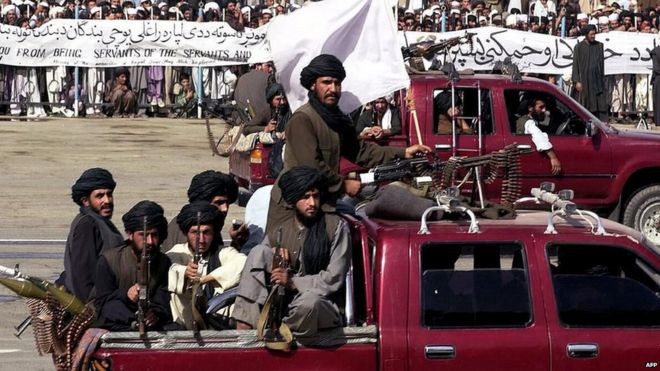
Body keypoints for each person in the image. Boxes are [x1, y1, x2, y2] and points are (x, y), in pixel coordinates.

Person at [269, 54, 430, 233]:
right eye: (327, 82)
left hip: (322, 204)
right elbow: (312, 167)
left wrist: (404, 153)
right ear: (313, 85)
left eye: (337, 83)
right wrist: (344, 185)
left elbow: (361, 151)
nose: (333, 88)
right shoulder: (303, 119)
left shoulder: (336, 119)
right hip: (292, 209)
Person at [233, 167, 351, 337]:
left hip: (322, 304)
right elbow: (260, 261)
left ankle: (281, 331)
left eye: (315, 196)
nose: (312, 203)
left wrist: (293, 282)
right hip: (285, 304)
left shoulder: (335, 227)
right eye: (305, 197)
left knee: (310, 303)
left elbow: (334, 278)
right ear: (293, 200)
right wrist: (274, 254)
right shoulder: (280, 230)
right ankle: (245, 328)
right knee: (258, 252)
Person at [166, 202, 247, 330]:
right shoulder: (177, 252)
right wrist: (185, 273)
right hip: (184, 327)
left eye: (206, 232)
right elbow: (168, 268)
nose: (201, 240)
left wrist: (206, 279)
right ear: (186, 233)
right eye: (195, 233)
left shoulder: (221, 253)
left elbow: (242, 262)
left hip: (218, 326)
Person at [94, 201, 172, 331]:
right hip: (117, 323)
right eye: (143, 235)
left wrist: (155, 314)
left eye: (154, 235)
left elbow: (163, 300)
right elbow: (102, 304)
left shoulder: (163, 263)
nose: (150, 241)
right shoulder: (109, 260)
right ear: (130, 234)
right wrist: (126, 295)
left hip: (150, 325)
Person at [56, 168, 124, 303]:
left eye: (109, 194)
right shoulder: (87, 224)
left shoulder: (101, 222)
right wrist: (92, 310)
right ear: (86, 201)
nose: (107, 200)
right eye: (100, 196)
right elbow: (82, 277)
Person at [160, 170, 248, 253]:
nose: (225, 208)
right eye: (219, 203)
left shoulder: (211, 225)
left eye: (227, 203)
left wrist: (236, 243)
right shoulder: (191, 227)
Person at [516, 97, 562, 175]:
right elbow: (539, 136)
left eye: (544, 107)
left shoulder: (531, 119)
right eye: (541, 107)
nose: (544, 110)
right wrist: (553, 157)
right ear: (531, 108)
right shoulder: (529, 122)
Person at [571, 25, 607, 121]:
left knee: (598, 105)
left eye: (594, 34)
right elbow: (575, 65)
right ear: (586, 35)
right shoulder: (578, 47)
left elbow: (601, 65)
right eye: (591, 34)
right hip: (584, 81)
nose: (593, 36)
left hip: (596, 81)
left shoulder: (599, 46)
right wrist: (577, 80)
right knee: (584, 105)